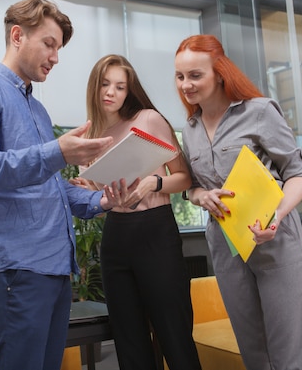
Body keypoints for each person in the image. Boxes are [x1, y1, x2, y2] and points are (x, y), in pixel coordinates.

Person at [0, 0, 126, 370]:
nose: (56, 56)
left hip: (55, 268)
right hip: (19, 267)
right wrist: (57, 153)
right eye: (49, 44)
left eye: (58, 48)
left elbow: (47, 187)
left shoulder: (38, 110)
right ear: (17, 36)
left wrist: (100, 201)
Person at [174, 34, 302, 370]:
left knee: (289, 351)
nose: (186, 85)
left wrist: (277, 216)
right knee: (253, 351)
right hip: (227, 247)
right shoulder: (191, 128)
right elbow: (191, 188)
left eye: (195, 75)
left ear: (220, 74)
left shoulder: (259, 112)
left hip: (275, 240)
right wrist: (201, 195)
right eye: (180, 76)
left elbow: (299, 172)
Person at [71, 54, 202, 370]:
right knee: (129, 342)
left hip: (155, 232)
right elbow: (101, 207)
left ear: (129, 91)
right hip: (116, 236)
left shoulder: (148, 119)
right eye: (105, 84)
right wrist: (91, 194)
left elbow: (184, 177)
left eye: (119, 86)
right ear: (95, 87)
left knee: (175, 335)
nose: (111, 92)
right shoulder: (89, 141)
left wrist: (153, 183)